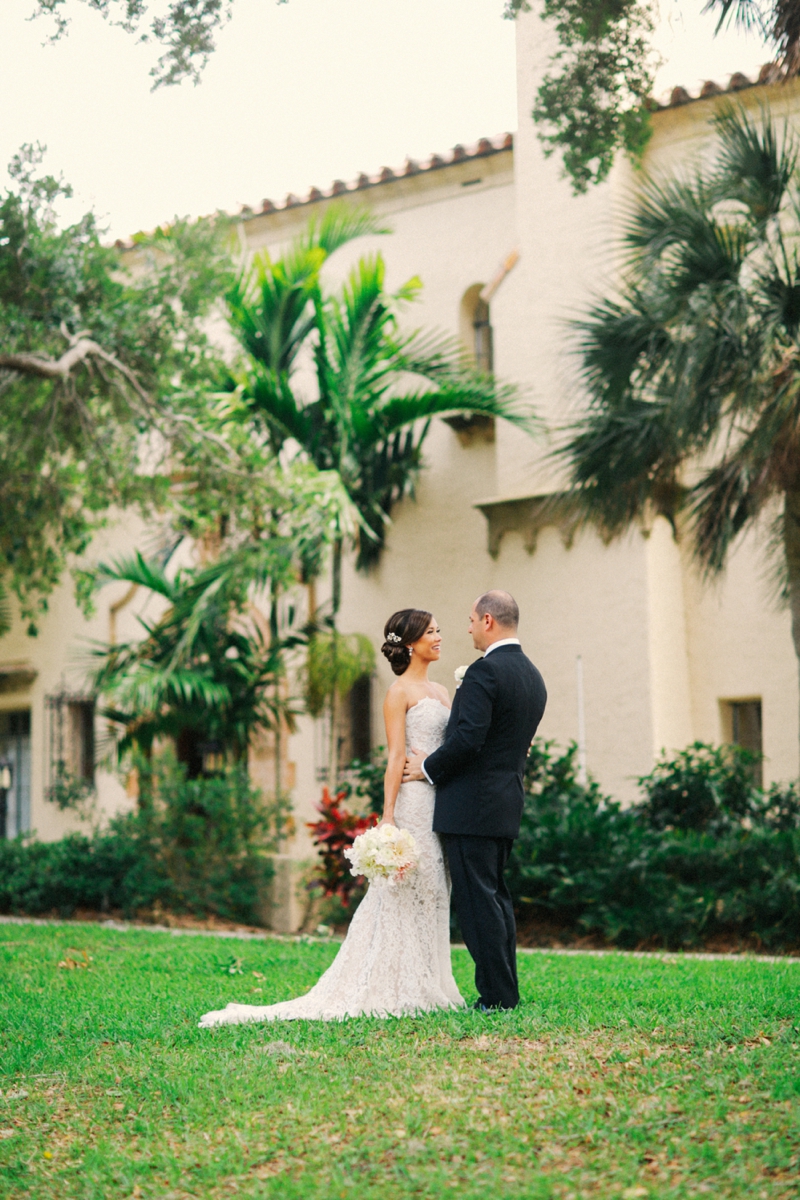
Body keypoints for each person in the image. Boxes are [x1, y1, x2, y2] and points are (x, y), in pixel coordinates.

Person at [198, 608, 463, 1026]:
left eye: (438, 629)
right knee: (406, 888)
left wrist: (434, 763)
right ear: (411, 644)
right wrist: (388, 815)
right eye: (432, 632)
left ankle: (432, 980)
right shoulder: (398, 693)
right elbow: (395, 756)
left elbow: (452, 747)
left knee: (434, 888)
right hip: (412, 803)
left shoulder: (444, 692)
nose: (439, 637)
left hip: (439, 801)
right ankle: (396, 983)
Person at [403, 590, 547, 1011]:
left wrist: (426, 767)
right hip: (504, 803)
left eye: (469, 620)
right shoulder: (532, 675)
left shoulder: (485, 673)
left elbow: (468, 740)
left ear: (488, 621)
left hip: (471, 807)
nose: (465, 628)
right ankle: (506, 991)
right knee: (496, 897)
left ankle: (497, 997)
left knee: (477, 902)